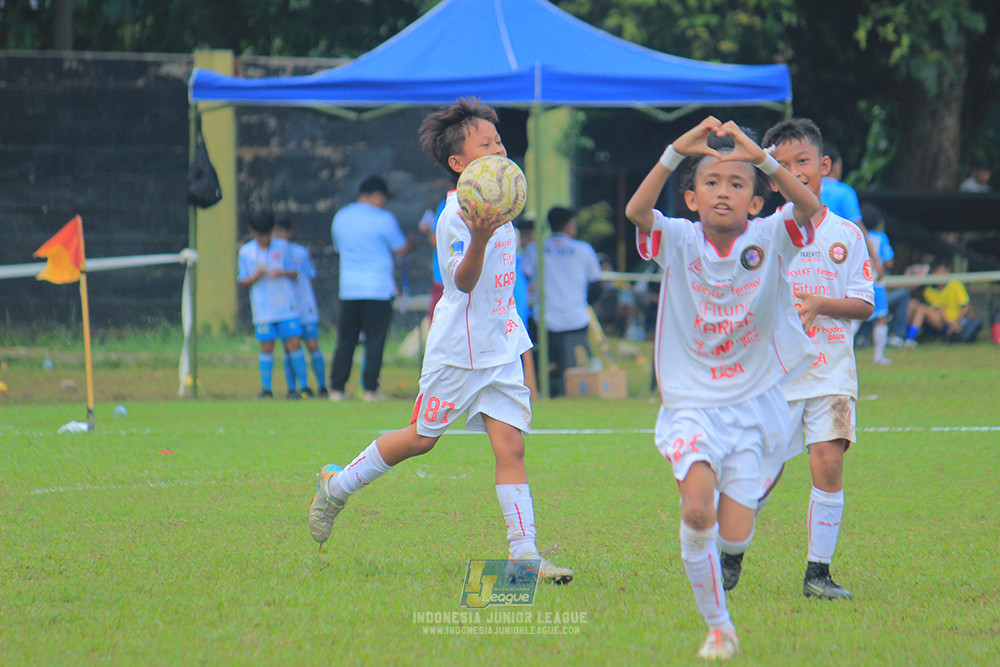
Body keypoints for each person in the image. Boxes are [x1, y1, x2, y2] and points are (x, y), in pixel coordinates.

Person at [308, 96, 573, 584]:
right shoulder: (457, 216)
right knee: (420, 440)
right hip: (459, 351)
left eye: (499, 141)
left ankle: (524, 556)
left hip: (501, 348)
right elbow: (464, 283)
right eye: (486, 144)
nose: (499, 150)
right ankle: (337, 486)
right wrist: (479, 236)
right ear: (459, 163)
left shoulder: (503, 204)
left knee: (510, 449)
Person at [625, 116, 821, 660]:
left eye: (738, 185)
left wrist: (761, 158)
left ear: (755, 203)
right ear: (691, 197)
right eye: (712, 182)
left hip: (755, 409)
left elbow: (808, 208)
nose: (724, 192)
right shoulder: (679, 239)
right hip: (691, 405)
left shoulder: (771, 237)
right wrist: (673, 151)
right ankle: (718, 626)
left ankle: (732, 550)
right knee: (695, 510)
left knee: (734, 535)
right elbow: (637, 212)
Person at [717, 118, 874, 604]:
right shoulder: (764, 234)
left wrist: (820, 304)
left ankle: (818, 574)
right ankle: (730, 553)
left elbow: (864, 303)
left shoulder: (845, 234)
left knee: (828, 463)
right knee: (761, 475)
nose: (793, 172)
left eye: (801, 162)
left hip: (830, 372)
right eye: (780, 165)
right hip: (776, 375)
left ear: (822, 166)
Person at [328, 175, 417, 401]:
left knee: (346, 340)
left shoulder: (341, 217)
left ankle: (337, 389)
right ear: (377, 196)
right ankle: (370, 389)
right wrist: (413, 243)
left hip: (349, 288)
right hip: (377, 288)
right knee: (375, 340)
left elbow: (340, 248)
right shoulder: (383, 218)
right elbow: (400, 249)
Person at [821, 145, 892, 364]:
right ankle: (839, 355)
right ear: (832, 164)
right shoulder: (844, 192)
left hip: (810, 258)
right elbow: (858, 227)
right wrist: (874, 259)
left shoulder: (804, 190)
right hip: (839, 259)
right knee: (851, 307)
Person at [522, 206, 602, 396]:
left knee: (539, 348)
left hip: (545, 323)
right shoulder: (584, 250)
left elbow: (525, 277)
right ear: (570, 225)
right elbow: (597, 285)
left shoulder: (535, 250)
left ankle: (543, 385)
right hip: (577, 319)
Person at [237, 211, 310, 400]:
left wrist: (283, 272)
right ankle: (266, 389)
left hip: (286, 306)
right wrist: (256, 276)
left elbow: (296, 273)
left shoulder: (284, 248)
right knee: (267, 346)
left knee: (294, 343)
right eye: (261, 235)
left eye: (267, 234)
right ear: (252, 231)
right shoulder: (246, 252)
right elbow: (243, 281)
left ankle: (303, 387)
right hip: (263, 309)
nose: (265, 239)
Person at [273, 216, 328, 398]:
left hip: (303, 307)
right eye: (275, 231)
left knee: (312, 343)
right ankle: (294, 388)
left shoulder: (300, 252)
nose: (278, 235)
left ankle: (322, 386)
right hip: (285, 308)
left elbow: (308, 278)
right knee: (290, 345)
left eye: (282, 231)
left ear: (289, 233)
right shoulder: (270, 253)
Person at [909, 260, 982, 343]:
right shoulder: (929, 291)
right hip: (942, 322)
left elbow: (966, 306)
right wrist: (949, 325)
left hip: (958, 321)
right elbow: (940, 309)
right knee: (919, 307)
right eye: (935, 272)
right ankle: (909, 339)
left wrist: (956, 323)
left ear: (947, 272)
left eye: (941, 272)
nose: (938, 275)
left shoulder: (955, 284)